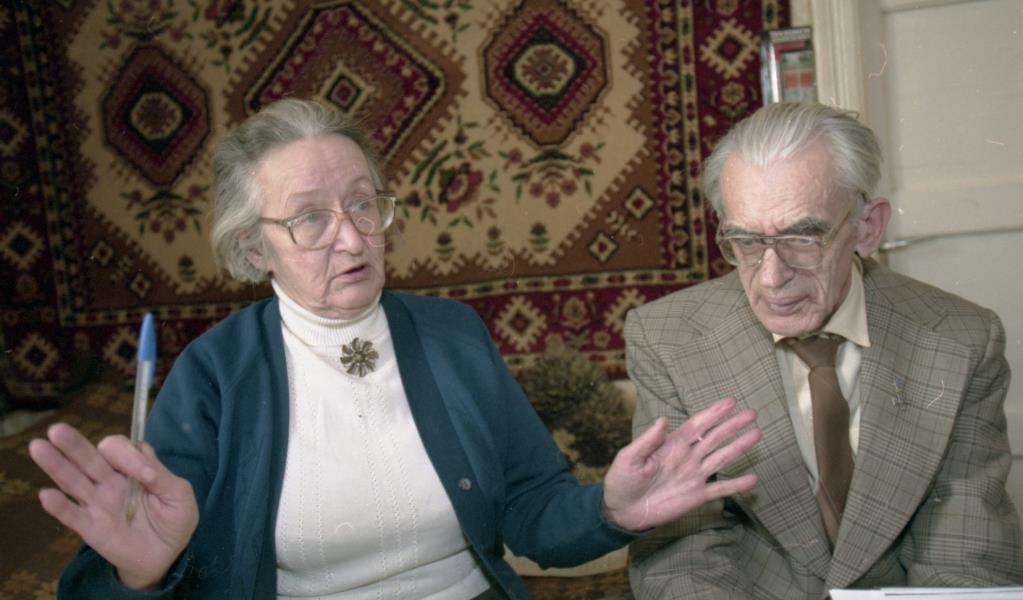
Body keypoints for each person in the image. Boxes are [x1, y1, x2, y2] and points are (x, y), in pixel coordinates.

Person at [27, 98, 761, 599]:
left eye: (362, 203)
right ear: (254, 247)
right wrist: (143, 576)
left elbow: (533, 517)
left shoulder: (452, 335)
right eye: (310, 219)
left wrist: (612, 510)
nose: (352, 238)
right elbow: (116, 571)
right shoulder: (215, 373)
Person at [625, 102, 1023, 598]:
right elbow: (684, 558)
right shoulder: (668, 338)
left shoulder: (962, 339)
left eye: (802, 238)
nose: (772, 278)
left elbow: (965, 553)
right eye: (745, 241)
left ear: (868, 228)